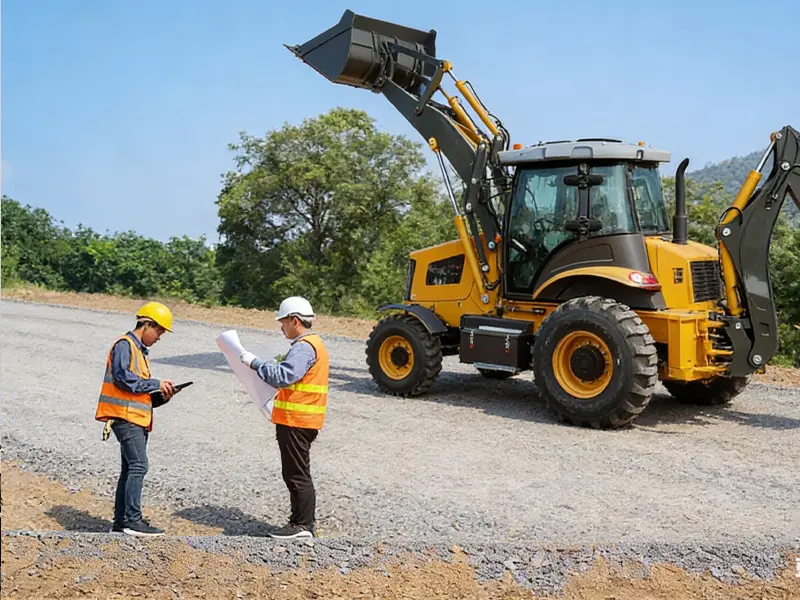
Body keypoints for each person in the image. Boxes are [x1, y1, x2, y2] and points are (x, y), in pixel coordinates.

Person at [239, 296, 330, 540]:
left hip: (296, 422)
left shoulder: (304, 347)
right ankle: (302, 522)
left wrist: (254, 363)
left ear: (294, 320)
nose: (281, 327)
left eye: (283, 322)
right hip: (301, 420)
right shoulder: (314, 344)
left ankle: (301, 525)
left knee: (296, 474)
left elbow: (284, 376)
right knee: (296, 472)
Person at [95, 301, 176, 537]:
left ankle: (121, 522)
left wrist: (161, 396)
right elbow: (123, 380)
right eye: (159, 331)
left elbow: (138, 391)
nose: (159, 337)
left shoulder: (139, 352)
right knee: (139, 465)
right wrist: (155, 383)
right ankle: (131, 520)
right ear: (147, 324)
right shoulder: (125, 345)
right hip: (125, 418)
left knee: (130, 468)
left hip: (136, 418)